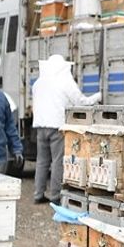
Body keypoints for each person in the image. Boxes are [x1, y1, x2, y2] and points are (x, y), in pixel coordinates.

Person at [31, 55, 101, 204]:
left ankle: (38, 194)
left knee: (42, 161)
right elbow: (81, 102)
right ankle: (55, 196)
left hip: (40, 127)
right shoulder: (65, 82)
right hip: (57, 126)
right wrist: (97, 97)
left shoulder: (38, 83)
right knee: (58, 161)